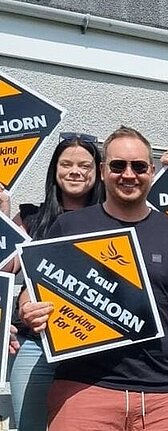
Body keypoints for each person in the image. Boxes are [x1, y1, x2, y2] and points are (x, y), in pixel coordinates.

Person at [20, 126, 168, 430]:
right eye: (119, 165)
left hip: (163, 395)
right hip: (84, 389)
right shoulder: (70, 226)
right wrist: (29, 308)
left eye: (138, 166)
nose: (129, 174)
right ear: (103, 170)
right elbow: (33, 289)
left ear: (151, 170)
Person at [1, 132, 104, 431]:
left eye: (85, 165)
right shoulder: (32, 217)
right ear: (54, 170)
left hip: (92, 347)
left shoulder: (109, 220)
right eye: (66, 164)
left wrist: (165, 170)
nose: (75, 171)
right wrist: (4, 213)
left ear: (97, 172)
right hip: (37, 345)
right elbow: (4, 271)